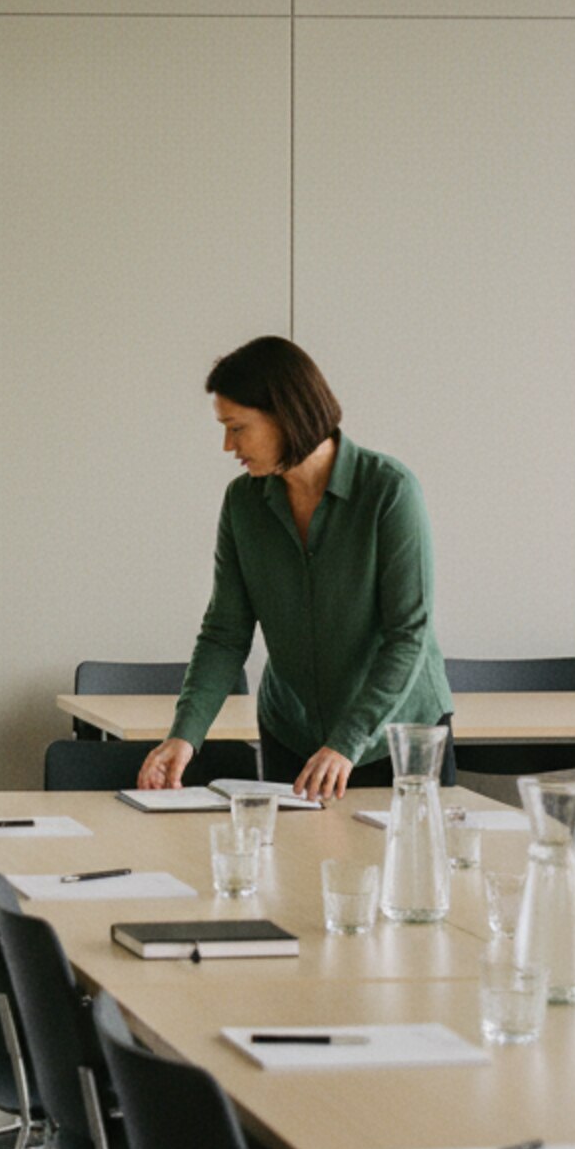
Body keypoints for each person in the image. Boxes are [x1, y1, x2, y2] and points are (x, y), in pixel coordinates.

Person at [138, 336, 453, 801]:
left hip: (395, 740)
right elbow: (225, 632)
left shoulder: (389, 491)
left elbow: (409, 634)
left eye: (237, 427)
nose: (228, 445)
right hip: (292, 735)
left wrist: (345, 743)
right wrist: (185, 735)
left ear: (285, 414)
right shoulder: (242, 503)